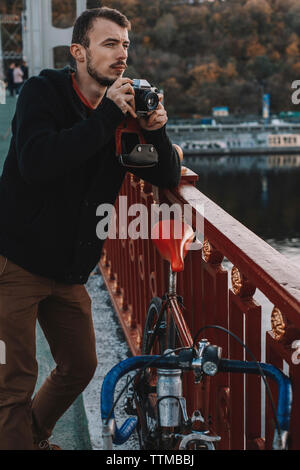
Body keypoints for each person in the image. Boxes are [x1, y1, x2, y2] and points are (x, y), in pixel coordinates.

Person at [0, 7, 181, 450]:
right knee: (14, 381)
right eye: (109, 44)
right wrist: (108, 118)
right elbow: (38, 163)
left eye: (125, 44)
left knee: (80, 365)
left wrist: (155, 131)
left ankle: (33, 435)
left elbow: (167, 177)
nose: (122, 54)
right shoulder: (43, 93)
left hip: (69, 269)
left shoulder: (124, 108)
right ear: (78, 52)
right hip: (16, 260)